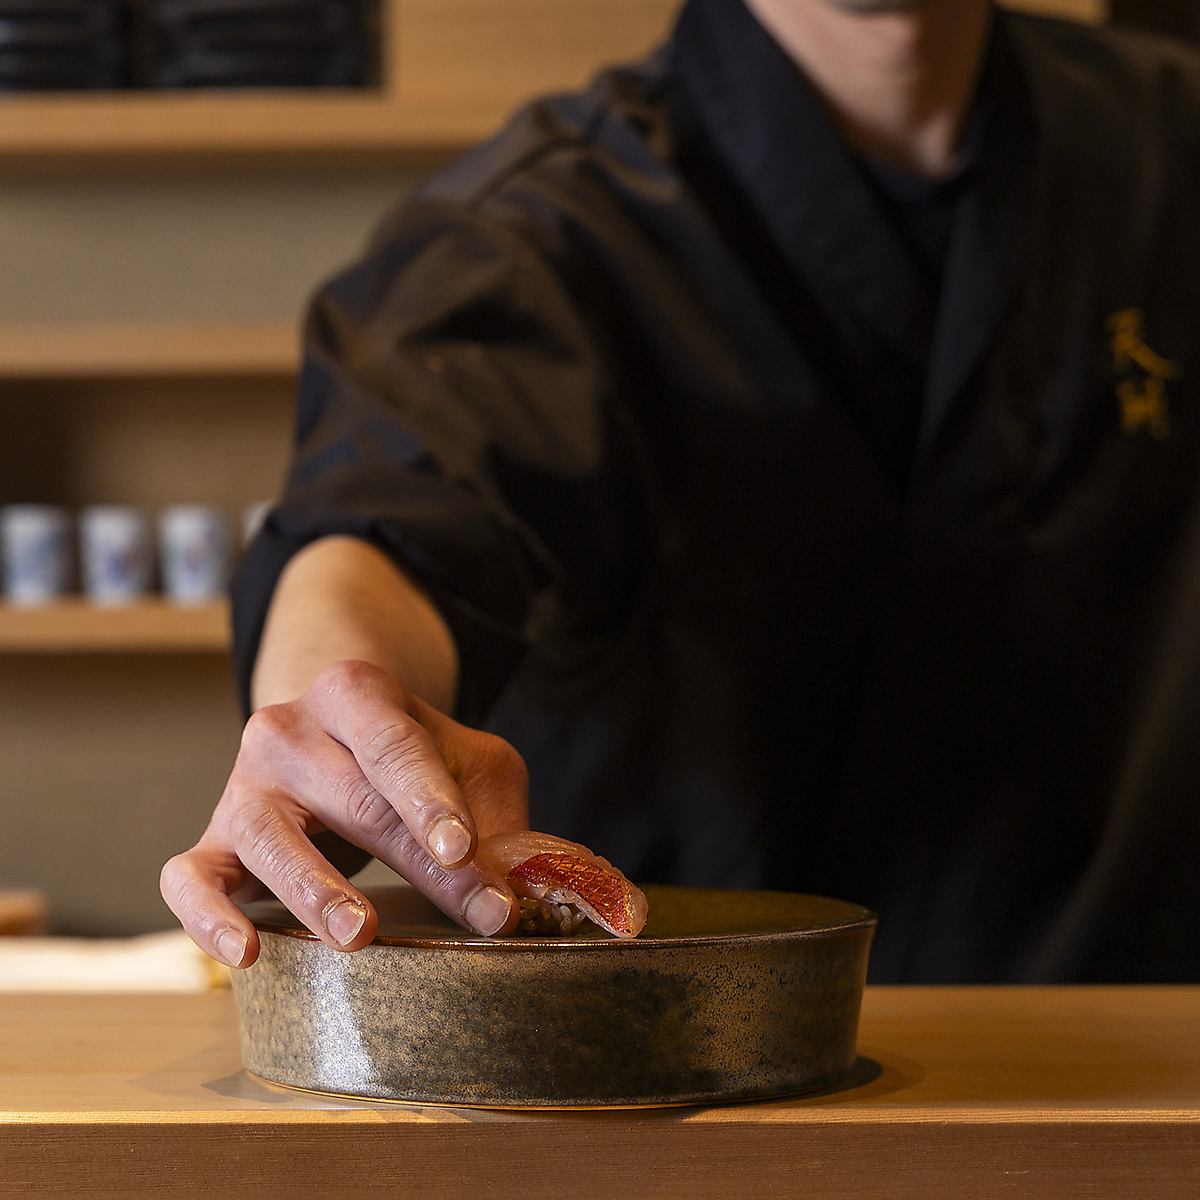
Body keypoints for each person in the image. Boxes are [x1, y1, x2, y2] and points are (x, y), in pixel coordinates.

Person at [161, 0, 1200, 982]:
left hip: (1140, 1073)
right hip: (667, 1102)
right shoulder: (537, 236)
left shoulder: (1166, 148)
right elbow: (392, 525)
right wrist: (339, 707)